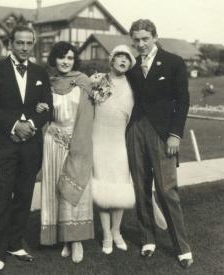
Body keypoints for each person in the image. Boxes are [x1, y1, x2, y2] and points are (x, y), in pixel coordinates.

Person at [0, 25, 53, 274]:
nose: (24, 48)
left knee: (23, 196)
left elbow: (48, 108)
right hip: (4, 144)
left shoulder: (40, 72)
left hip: (31, 145)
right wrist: (15, 125)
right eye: (20, 43)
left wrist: (31, 123)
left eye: (28, 43)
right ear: (11, 43)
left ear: (33, 44)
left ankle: (14, 244)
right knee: (2, 198)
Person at [126, 19, 193, 268]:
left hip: (163, 133)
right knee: (140, 187)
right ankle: (147, 239)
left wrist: (175, 134)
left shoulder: (174, 62)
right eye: (136, 40)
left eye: (145, 38)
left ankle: (182, 248)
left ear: (154, 37)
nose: (141, 44)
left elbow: (183, 101)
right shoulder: (131, 66)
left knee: (166, 190)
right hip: (135, 130)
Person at [90, 45, 167, 255]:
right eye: (119, 56)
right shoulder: (97, 80)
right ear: (112, 60)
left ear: (130, 63)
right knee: (103, 188)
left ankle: (117, 232)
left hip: (120, 141)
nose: (123, 60)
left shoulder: (134, 84)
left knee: (120, 188)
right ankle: (106, 234)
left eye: (127, 58)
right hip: (98, 140)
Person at [37, 41, 94, 263]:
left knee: (73, 186)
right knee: (55, 189)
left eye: (70, 58)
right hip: (52, 142)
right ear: (55, 59)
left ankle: (76, 240)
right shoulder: (47, 84)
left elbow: (87, 118)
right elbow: (44, 113)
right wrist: (39, 108)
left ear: (75, 60)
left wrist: (76, 142)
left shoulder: (83, 82)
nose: (66, 62)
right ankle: (62, 238)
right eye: (62, 57)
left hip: (77, 141)